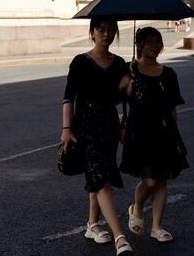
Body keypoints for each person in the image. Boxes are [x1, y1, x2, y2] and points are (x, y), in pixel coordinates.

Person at [61, 18, 133, 255]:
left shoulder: (120, 63)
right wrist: (66, 129)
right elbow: (68, 97)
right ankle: (120, 237)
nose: (107, 34)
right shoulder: (81, 62)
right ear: (92, 32)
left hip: (110, 126)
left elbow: (124, 96)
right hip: (86, 127)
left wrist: (131, 78)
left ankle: (92, 224)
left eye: (111, 30)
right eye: (101, 30)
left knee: (99, 175)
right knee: (101, 178)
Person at [119, 27, 189, 243]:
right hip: (139, 132)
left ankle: (157, 226)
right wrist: (128, 77)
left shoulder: (168, 74)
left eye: (158, 41)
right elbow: (120, 93)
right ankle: (137, 206)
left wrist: (174, 134)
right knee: (149, 180)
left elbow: (172, 108)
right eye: (150, 41)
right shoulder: (129, 70)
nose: (155, 46)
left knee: (161, 181)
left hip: (164, 131)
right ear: (138, 45)